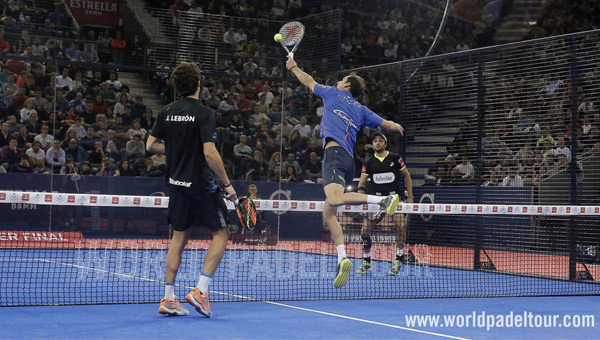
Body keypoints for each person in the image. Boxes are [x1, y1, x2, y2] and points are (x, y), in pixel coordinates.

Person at [286, 56, 404, 288]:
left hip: (334, 155)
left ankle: (383, 200)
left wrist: (293, 66)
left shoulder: (333, 93)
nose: (338, 81)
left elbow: (308, 81)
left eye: (342, 80)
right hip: (349, 160)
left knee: (334, 199)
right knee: (328, 213)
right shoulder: (361, 109)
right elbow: (387, 125)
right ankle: (343, 258)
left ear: (347, 86)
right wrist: (397, 126)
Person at [146, 62, 237, 318]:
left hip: (176, 185)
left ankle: (168, 298)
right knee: (220, 233)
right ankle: (201, 291)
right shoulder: (205, 113)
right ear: (198, 83)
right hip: (201, 185)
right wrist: (227, 185)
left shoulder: (167, 111)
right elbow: (209, 152)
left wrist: (175, 149)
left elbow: (151, 145)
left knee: (178, 238)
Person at [355, 133, 414, 276]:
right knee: (364, 231)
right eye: (375, 141)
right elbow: (362, 184)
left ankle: (399, 259)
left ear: (385, 144)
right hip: (376, 201)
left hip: (395, 199)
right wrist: (361, 199)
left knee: (400, 226)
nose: (377, 143)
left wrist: (410, 196)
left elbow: (407, 175)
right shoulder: (368, 162)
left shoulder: (395, 158)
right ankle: (367, 261)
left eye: (380, 141)